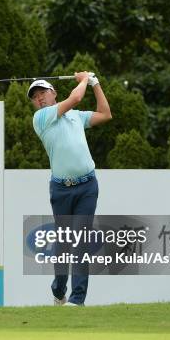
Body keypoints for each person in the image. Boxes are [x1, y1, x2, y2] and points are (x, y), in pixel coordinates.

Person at [29, 71, 112, 306]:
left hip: (87, 186)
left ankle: (77, 300)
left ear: (54, 94)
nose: (40, 99)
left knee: (79, 242)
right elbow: (75, 98)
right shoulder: (42, 119)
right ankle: (58, 290)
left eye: (43, 93)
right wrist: (85, 78)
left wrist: (95, 84)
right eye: (35, 97)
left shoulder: (76, 117)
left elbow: (105, 114)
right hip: (61, 190)